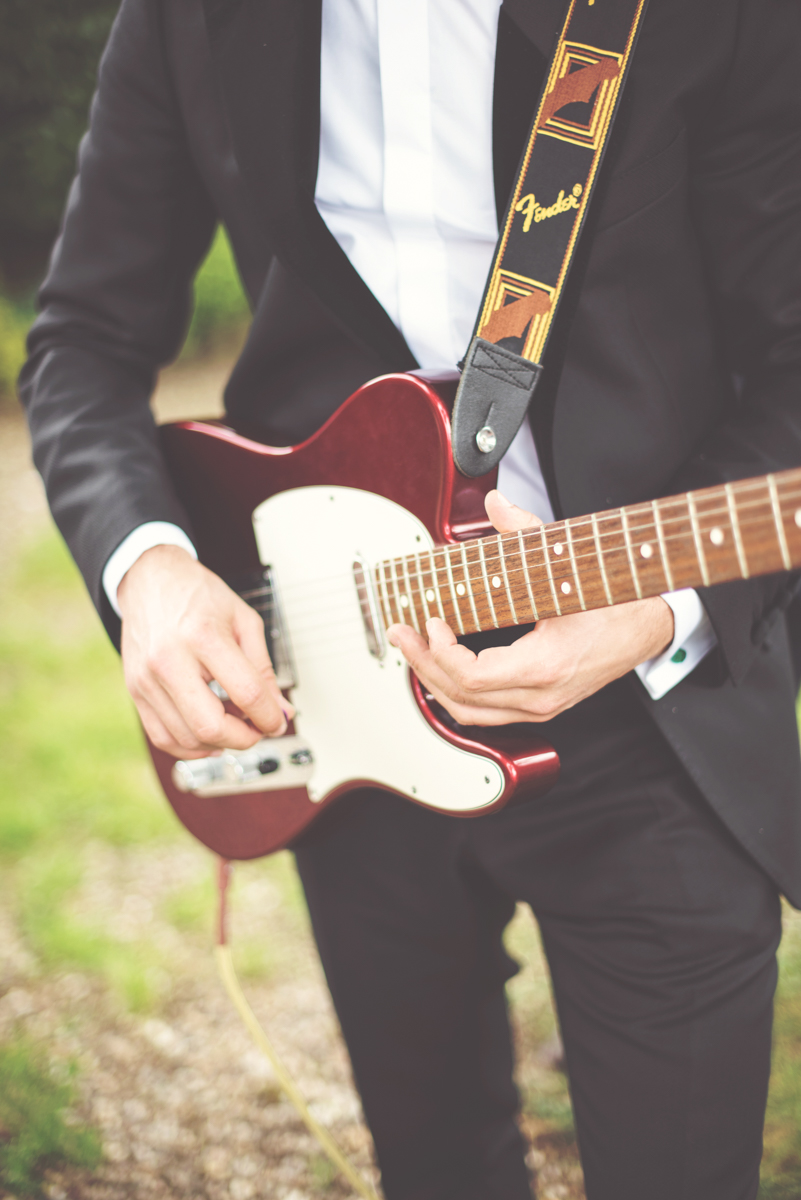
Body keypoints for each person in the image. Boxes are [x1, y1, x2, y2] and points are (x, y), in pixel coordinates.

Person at [19, 1, 801, 1196]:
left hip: (650, 714)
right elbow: (82, 335)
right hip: (337, 691)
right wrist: (153, 572)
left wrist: (655, 600)